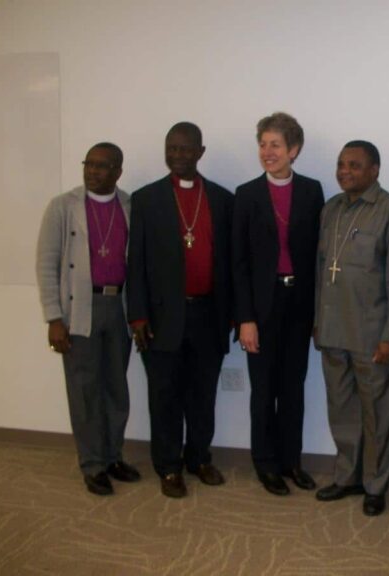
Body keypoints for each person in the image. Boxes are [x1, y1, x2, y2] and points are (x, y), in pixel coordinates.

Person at [127, 122, 234, 498]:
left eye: (186, 149)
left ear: (200, 152)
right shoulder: (146, 199)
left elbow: (230, 263)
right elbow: (136, 264)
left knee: (203, 394)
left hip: (208, 314)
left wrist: (232, 314)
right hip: (161, 317)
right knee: (165, 396)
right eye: (171, 148)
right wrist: (137, 316)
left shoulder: (222, 199)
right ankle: (169, 466)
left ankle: (199, 458)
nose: (177, 155)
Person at [314, 140, 389, 517]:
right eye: (341, 164)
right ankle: (347, 476)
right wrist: (318, 322)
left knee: (378, 415)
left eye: (355, 165)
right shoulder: (331, 210)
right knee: (342, 409)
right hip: (333, 329)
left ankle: (375, 484)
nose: (345, 171)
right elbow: (322, 270)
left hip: (372, 334)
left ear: (374, 170)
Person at [36, 142, 140, 495]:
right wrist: (54, 317)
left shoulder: (129, 205)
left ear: (118, 171)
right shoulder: (63, 206)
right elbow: (46, 264)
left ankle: (113, 456)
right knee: (84, 390)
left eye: (102, 166)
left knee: (116, 387)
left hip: (119, 307)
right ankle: (92, 464)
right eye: (89, 164)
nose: (93, 171)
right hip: (79, 308)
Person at [232, 112, 324, 496]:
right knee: (263, 389)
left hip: (298, 304)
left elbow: (318, 256)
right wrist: (245, 318)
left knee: (293, 387)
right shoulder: (246, 194)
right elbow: (238, 263)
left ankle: (291, 461)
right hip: (261, 307)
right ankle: (265, 463)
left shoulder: (312, 191)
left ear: (294, 150)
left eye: (276, 145)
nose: (267, 152)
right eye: (263, 144)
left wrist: (319, 314)